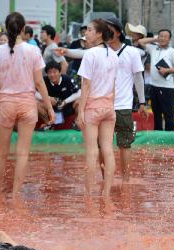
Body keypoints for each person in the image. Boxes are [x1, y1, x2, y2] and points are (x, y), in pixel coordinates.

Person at [0, 12, 54, 192]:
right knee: (22, 154)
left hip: (5, 105)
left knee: (1, 154)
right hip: (28, 105)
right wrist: (49, 108)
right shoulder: (33, 50)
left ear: (6, 28)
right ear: (23, 29)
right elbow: (39, 82)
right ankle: (16, 194)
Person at [76, 19, 118, 193]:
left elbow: (86, 84)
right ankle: (106, 192)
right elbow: (114, 85)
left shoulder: (90, 54)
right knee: (108, 150)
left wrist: (80, 111)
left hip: (92, 107)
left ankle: (88, 193)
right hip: (109, 107)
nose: (86, 33)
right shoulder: (114, 54)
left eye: (90, 30)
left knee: (92, 151)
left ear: (99, 34)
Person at [106, 16, 146, 182]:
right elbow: (82, 54)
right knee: (103, 146)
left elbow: (138, 78)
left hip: (123, 105)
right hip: (103, 105)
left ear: (117, 31)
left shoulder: (132, 52)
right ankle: (106, 179)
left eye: (107, 28)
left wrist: (142, 103)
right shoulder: (102, 50)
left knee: (124, 145)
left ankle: (126, 180)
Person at [137, 29, 174, 131]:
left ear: (169, 39)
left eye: (165, 36)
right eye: (161, 36)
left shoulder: (172, 51)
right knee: (156, 113)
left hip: (166, 88)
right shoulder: (153, 48)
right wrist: (156, 39)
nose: (162, 38)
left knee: (168, 114)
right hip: (153, 86)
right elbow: (140, 42)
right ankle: (158, 135)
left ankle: (169, 136)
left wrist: (167, 70)